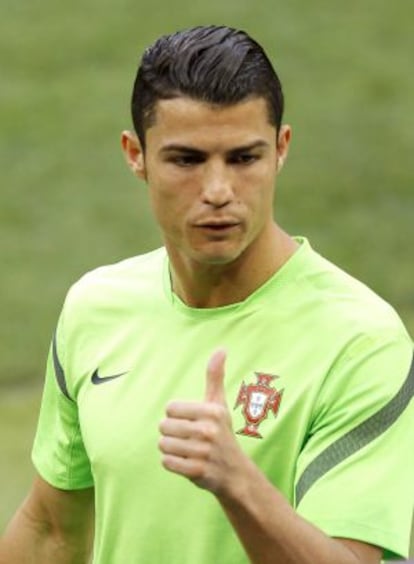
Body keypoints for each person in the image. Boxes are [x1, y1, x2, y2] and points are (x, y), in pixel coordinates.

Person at [1, 24, 413, 564]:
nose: (218, 192)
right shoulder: (94, 308)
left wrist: (237, 482)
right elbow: (51, 530)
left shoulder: (361, 340)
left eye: (244, 158)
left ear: (281, 149)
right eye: (187, 160)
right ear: (135, 155)